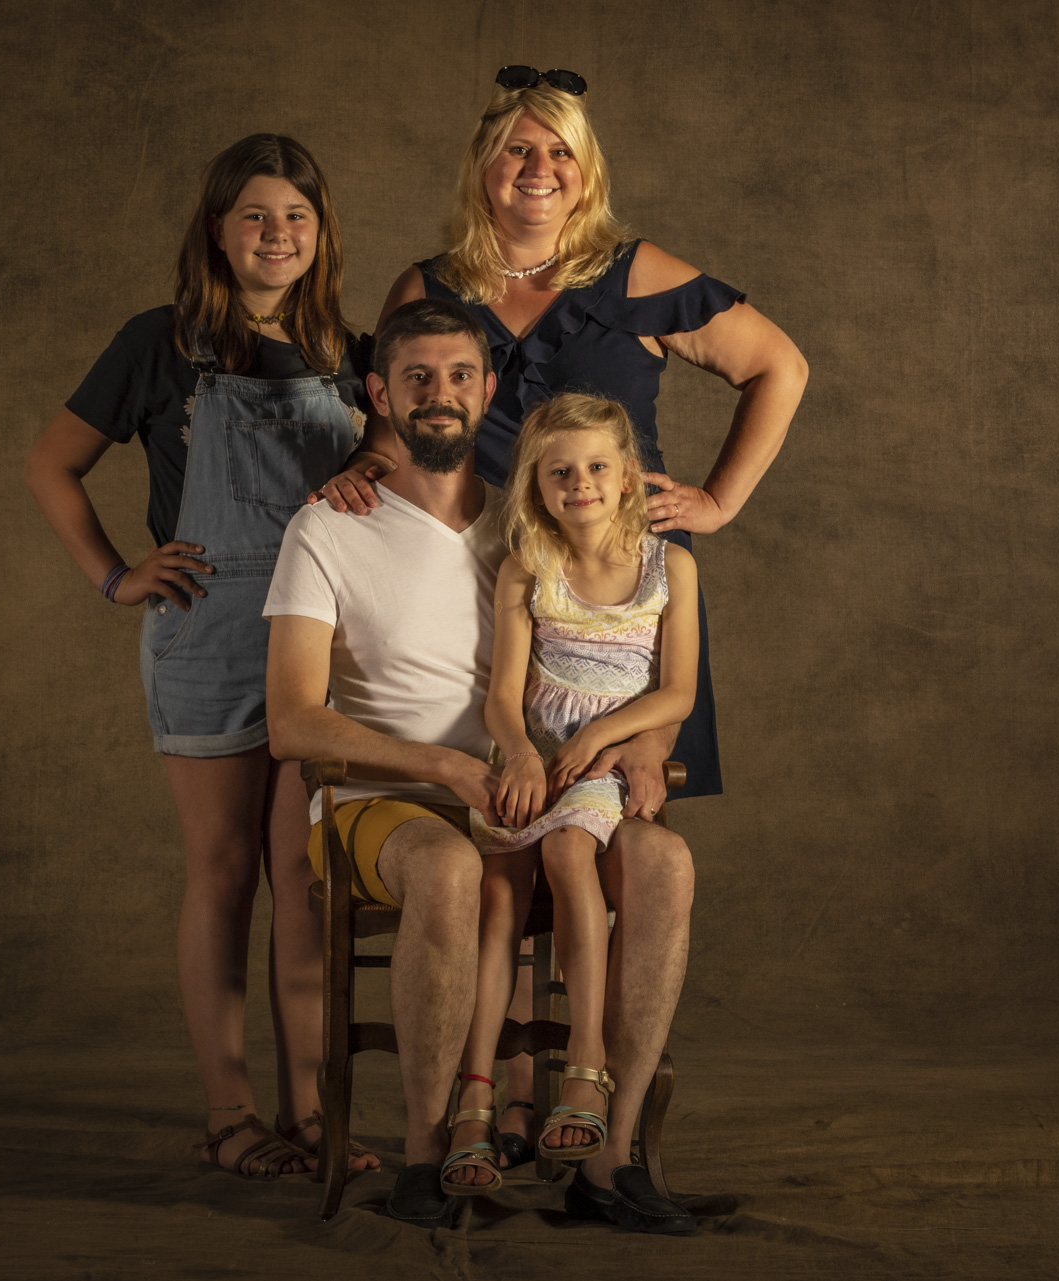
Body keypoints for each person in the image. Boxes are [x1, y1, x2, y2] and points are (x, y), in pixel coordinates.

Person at [311, 63, 807, 1167]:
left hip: (621, 614)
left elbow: (780, 364)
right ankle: (502, 1106)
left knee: (614, 844)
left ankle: (599, 1129)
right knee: (512, 853)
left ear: (587, 171)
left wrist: (719, 500)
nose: (538, 170)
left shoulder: (636, 273)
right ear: (481, 166)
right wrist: (358, 470)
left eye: (560, 153)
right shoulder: (431, 283)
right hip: (496, 592)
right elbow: (396, 412)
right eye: (517, 151)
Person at [266, 299, 697, 1233]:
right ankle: (430, 1150)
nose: (441, 392)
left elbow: (626, 652)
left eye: (461, 374)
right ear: (380, 395)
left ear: (488, 389)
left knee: (664, 862)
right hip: (384, 800)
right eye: (416, 376)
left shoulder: (534, 516)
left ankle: (609, 1157)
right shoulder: (329, 527)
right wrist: (446, 767)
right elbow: (291, 721)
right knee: (448, 867)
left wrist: (646, 743)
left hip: (535, 791)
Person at [24, 134, 378, 1179]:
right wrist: (114, 575)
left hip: (318, 635)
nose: (277, 234)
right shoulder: (161, 342)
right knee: (223, 870)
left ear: (321, 233)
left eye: (296, 216)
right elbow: (50, 465)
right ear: (217, 230)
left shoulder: (349, 352)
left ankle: (311, 1114)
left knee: (301, 875)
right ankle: (231, 1116)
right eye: (255, 215)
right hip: (207, 628)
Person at [449, 392, 697, 1190]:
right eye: (559, 471)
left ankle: (585, 1061)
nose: (579, 483)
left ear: (627, 477)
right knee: (497, 897)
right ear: (536, 483)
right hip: (534, 758)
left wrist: (602, 740)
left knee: (565, 848)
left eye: (596, 467)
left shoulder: (670, 566)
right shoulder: (528, 566)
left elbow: (678, 691)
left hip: (599, 765)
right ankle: (475, 1098)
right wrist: (522, 752)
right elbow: (502, 696)